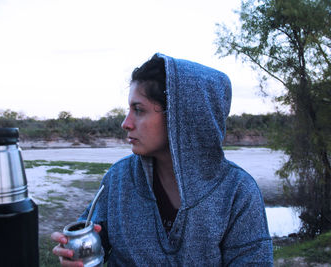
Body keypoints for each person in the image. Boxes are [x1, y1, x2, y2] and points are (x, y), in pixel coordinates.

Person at [51, 53, 273, 266]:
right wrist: (76, 252)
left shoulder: (237, 192)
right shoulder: (117, 180)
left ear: (180, 116)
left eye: (138, 110)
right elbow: (91, 241)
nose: (125, 123)